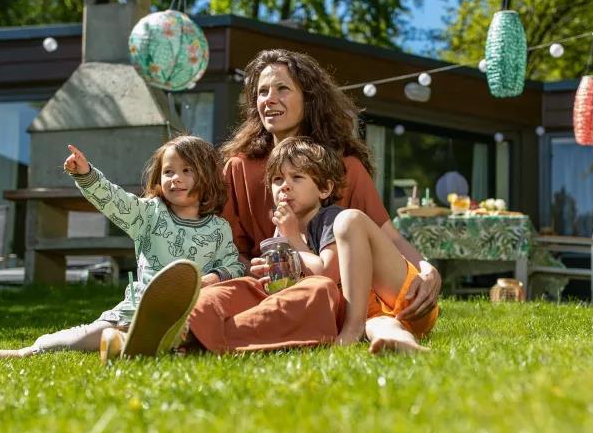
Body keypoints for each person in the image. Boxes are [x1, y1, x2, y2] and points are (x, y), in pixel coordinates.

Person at [219, 48, 441, 323]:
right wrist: (255, 270)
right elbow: (229, 250)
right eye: (262, 92)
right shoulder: (239, 167)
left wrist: (427, 268)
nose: (269, 99)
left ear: (309, 100)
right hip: (271, 288)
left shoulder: (346, 167)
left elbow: (390, 238)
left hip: (339, 293)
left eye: (282, 89)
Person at [0, 136, 245, 362]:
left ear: (207, 176)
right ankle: (28, 350)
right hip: (136, 310)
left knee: (190, 333)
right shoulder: (149, 214)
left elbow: (234, 265)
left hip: (187, 314)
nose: (176, 179)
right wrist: (86, 175)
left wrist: (214, 277)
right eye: (168, 171)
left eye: (187, 170)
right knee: (83, 337)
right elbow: (115, 200)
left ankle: (141, 343)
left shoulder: (219, 228)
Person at [183, 137, 437, 354]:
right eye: (277, 180)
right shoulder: (282, 229)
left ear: (324, 189)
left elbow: (326, 274)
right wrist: (267, 273)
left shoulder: (328, 219)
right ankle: (400, 342)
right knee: (383, 327)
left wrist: (293, 239)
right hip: (375, 315)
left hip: (404, 297)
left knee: (349, 220)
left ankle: (354, 328)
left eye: (297, 177)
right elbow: (295, 285)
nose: (285, 186)